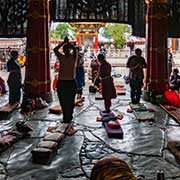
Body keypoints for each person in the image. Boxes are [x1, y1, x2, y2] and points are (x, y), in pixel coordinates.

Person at [53, 36, 78, 128]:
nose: (66, 50)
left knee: (70, 101)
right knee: (63, 101)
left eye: (67, 49)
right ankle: (65, 117)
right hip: (63, 82)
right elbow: (55, 49)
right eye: (65, 49)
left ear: (69, 50)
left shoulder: (73, 57)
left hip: (69, 82)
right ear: (63, 50)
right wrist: (65, 43)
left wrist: (67, 43)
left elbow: (75, 49)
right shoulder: (62, 57)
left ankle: (69, 117)